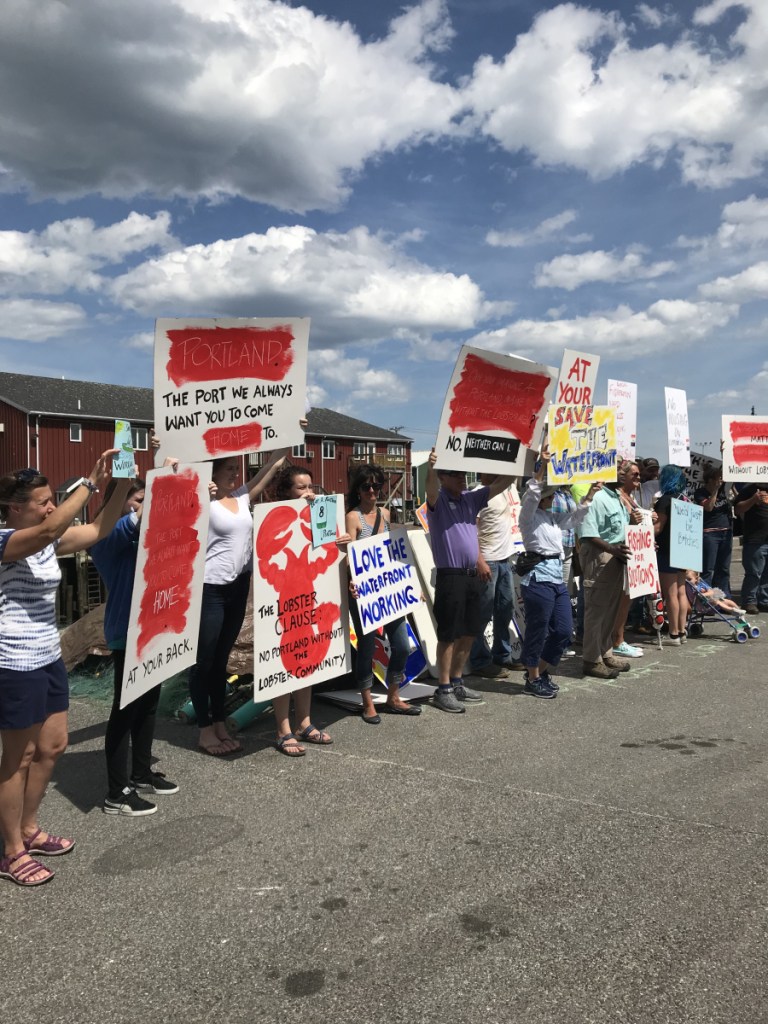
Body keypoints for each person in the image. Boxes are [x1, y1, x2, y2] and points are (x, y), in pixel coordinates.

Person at [0, 452, 128, 886]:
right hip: (13, 662)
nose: (51, 507)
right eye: (42, 501)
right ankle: (11, 851)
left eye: (52, 499)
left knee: (53, 746)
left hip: (47, 655)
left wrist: (123, 484)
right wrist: (89, 482)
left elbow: (97, 529)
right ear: (14, 509)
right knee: (18, 758)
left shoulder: (48, 541)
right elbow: (52, 528)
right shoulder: (5, 540)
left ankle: (29, 830)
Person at [90, 471, 181, 817]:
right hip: (127, 632)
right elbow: (130, 524)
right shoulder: (107, 532)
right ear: (120, 501)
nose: (147, 507)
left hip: (155, 627)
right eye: (139, 500)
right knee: (125, 710)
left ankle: (141, 773)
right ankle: (117, 791)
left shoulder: (146, 532)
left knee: (148, 705)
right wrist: (162, 483)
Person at [191, 448, 288, 757]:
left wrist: (285, 441)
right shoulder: (199, 498)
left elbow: (270, 468)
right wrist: (196, 494)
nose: (236, 472)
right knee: (204, 660)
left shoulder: (242, 496)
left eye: (236, 467)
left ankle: (219, 722)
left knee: (221, 661)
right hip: (210, 588)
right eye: (229, 468)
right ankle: (204, 729)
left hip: (238, 586)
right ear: (213, 471)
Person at [425, 449, 513, 713]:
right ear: (443, 477)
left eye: (463, 473)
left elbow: (502, 483)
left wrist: (520, 458)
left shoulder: (470, 499)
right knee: (448, 635)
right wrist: (431, 468)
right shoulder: (437, 500)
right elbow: (429, 490)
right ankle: (443, 689)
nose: (462, 477)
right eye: (456, 474)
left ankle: (457, 680)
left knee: (469, 632)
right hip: (450, 575)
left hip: (472, 575)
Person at [266, 464, 345, 755]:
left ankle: (305, 722)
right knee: (279, 666)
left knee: (307, 664)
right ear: (286, 491)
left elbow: (326, 558)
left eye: (311, 487)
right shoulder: (275, 520)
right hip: (282, 605)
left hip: (309, 603)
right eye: (301, 488)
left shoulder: (317, 517)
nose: (309, 493)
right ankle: (282, 729)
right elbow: (265, 564)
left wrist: (339, 540)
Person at [517, 453, 600, 697]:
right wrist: (542, 466)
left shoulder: (552, 519)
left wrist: (591, 494)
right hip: (538, 578)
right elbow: (532, 493)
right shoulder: (528, 517)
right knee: (538, 629)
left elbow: (574, 519)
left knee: (564, 629)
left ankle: (538, 671)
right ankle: (533, 677)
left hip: (555, 579)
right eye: (549, 495)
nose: (553, 498)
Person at [345, 464, 419, 723]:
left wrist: (411, 585)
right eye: (367, 487)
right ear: (358, 490)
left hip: (388, 591)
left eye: (377, 486)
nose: (373, 491)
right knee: (366, 647)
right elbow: (351, 554)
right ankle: (367, 702)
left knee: (401, 644)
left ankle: (393, 695)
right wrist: (352, 580)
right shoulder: (353, 517)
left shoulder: (386, 513)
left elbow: (396, 552)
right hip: (364, 592)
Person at [578, 473, 634, 678]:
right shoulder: (597, 497)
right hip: (600, 556)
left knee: (611, 607)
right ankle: (591, 660)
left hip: (616, 556)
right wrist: (612, 549)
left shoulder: (616, 496)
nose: (626, 475)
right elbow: (587, 533)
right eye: (623, 470)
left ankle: (605, 652)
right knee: (597, 609)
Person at [468, 474, 522, 678]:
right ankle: (480, 660)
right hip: (487, 561)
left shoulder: (504, 489)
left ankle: (502, 655)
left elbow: (514, 474)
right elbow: (470, 529)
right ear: (483, 472)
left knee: (505, 609)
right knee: (482, 613)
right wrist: (479, 560)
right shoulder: (478, 494)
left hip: (504, 559)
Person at [611, 460, 646, 659]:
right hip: (623, 553)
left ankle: (619, 637)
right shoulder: (618, 496)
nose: (638, 479)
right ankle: (617, 639)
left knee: (628, 598)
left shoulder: (631, 497)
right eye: (635, 475)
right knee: (622, 600)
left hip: (635, 552)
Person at [653, 465, 691, 645]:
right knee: (681, 592)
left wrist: (643, 528)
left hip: (667, 551)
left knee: (670, 594)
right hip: (684, 550)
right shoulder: (685, 499)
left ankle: (673, 633)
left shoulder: (665, 501)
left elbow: (658, 528)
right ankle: (682, 631)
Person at [694, 464, 733, 597]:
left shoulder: (724, 491)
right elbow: (709, 507)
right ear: (710, 480)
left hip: (726, 532)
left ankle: (723, 598)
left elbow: (729, 467)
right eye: (718, 478)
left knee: (724, 568)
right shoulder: (700, 493)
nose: (721, 481)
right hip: (710, 534)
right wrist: (715, 491)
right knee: (708, 569)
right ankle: (706, 600)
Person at [734, 483, 768, 615]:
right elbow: (737, 509)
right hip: (755, 539)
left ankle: (764, 600)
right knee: (754, 573)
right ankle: (749, 601)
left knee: (766, 574)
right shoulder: (750, 489)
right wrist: (753, 499)